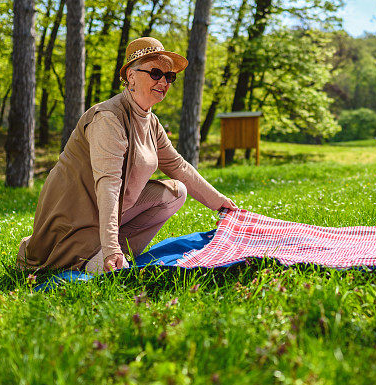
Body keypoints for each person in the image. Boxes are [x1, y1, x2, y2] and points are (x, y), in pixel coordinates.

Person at [17, 37, 236, 273]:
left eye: (169, 76)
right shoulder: (108, 118)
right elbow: (109, 186)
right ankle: (95, 255)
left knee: (175, 192)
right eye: (155, 73)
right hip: (74, 221)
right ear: (131, 76)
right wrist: (111, 247)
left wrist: (222, 204)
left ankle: (112, 254)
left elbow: (178, 166)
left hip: (105, 215)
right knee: (106, 265)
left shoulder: (150, 121)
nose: (163, 81)